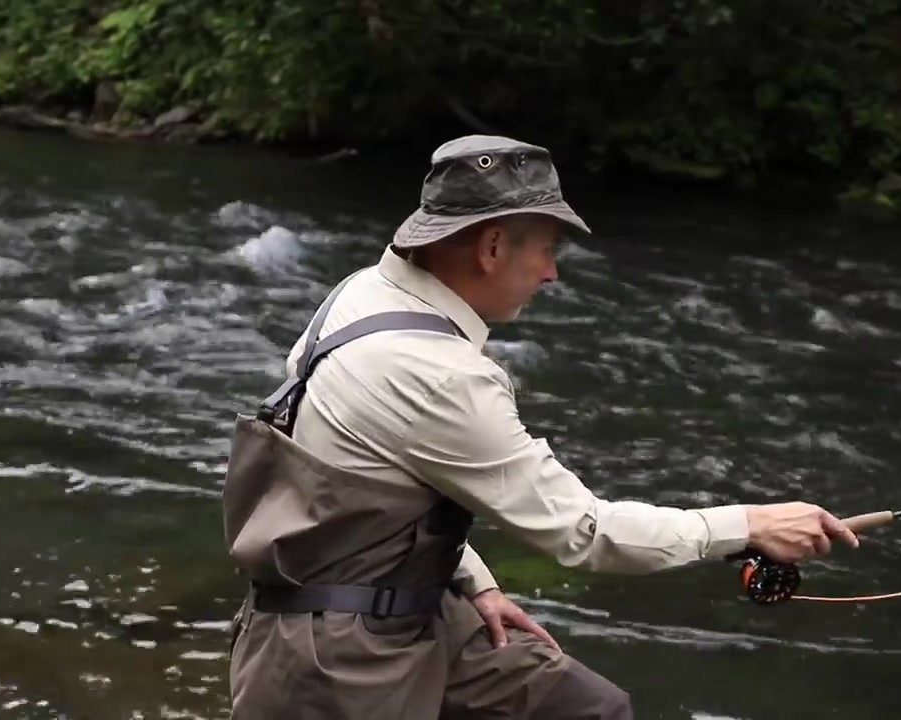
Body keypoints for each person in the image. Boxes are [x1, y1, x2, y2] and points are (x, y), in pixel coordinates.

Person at [220, 134, 860, 719]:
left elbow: (368, 480)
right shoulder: (441, 375)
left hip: (415, 606)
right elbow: (585, 533)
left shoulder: (357, 294)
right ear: (493, 247)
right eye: (548, 250)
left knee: (589, 711)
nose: (553, 273)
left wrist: (473, 581)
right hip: (332, 663)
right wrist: (749, 525)